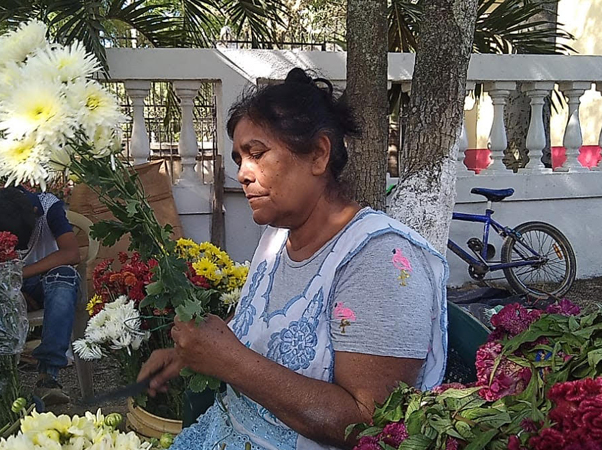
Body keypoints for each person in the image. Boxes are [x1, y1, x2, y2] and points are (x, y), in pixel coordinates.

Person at [138, 68, 449, 450]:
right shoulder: (277, 239)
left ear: (318, 154)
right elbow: (261, 328)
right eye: (239, 158)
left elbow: (371, 424)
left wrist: (229, 361)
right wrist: (189, 354)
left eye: (257, 153)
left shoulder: (379, 260)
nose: (242, 173)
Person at [0, 186, 81, 405]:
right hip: (6, 290)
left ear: (34, 216)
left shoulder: (48, 207)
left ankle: (48, 377)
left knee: (64, 276)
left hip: (45, 285)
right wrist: (9, 288)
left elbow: (71, 253)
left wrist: (17, 275)